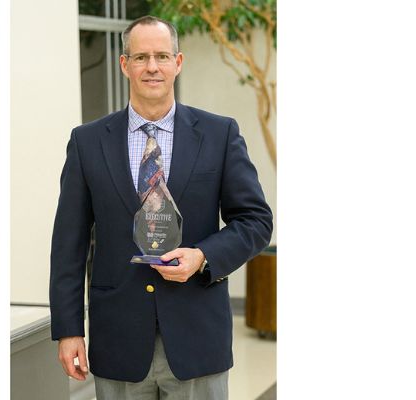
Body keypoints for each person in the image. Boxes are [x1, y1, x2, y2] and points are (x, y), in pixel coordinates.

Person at [49, 16, 273, 399]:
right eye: (141, 57)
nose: (152, 67)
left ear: (178, 62)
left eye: (161, 56)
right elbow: (68, 244)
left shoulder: (220, 134)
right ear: (125, 65)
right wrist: (69, 330)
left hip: (197, 338)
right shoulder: (87, 142)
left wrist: (203, 255)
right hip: (118, 336)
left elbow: (255, 221)